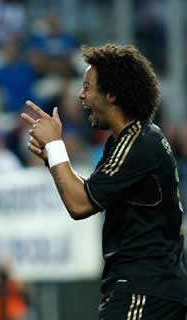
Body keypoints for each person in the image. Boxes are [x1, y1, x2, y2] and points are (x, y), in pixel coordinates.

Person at [21, 44, 187, 319]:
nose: (80, 94)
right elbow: (90, 192)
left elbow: (80, 204)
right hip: (152, 288)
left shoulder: (137, 144)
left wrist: (55, 147)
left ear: (112, 95)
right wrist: (53, 158)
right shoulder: (131, 140)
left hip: (144, 290)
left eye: (87, 87)